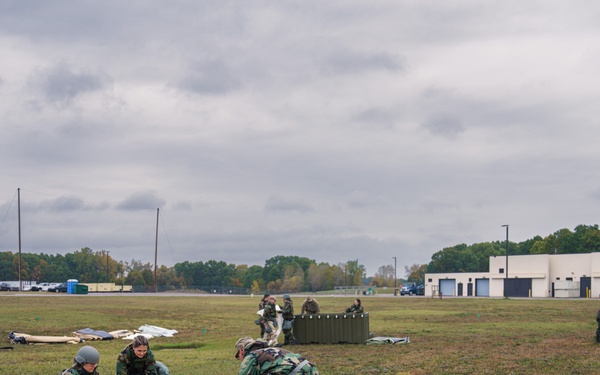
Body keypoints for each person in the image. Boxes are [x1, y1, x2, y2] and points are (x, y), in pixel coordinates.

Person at [235, 336, 319, 375]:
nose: (240, 360)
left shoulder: (251, 356)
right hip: (311, 370)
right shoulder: (274, 350)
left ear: (241, 351)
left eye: (239, 357)